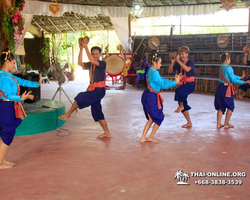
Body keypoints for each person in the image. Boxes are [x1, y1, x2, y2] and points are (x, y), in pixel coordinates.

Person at [0, 48, 42, 169]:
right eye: (13, 62)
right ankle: (0, 163)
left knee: (6, 135)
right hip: (6, 107)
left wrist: (36, 84)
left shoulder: (8, 75)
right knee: (7, 135)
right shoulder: (3, 78)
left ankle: (2, 160)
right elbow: (8, 95)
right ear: (7, 62)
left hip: (9, 106)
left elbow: (22, 81)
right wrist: (20, 98)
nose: (14, 65)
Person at [58, 43, 111, 139]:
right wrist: (81, 49)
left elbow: (92, 60)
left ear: (100, 54)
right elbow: (79, 63)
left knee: (80, 96)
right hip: (94, 89)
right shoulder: (90, 64)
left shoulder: (102, 63)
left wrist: (86, 46)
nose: (95, 56)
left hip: (99, 90)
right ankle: (107, 133)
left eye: (97, 54)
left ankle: (68, 113)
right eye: (93, 54)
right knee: (97, 112)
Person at [140, 54, 182, 144]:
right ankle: (151, 137)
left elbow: (162, 80)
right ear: (155, 63)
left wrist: (174, 82)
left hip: (148, 94)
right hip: (151, 97)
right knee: (159, 117)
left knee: (151, 119)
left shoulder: (152, 70)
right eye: (160, 63)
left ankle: (143, 137)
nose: (161, 65)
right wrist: (175, 82)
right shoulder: (154, 72)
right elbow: (163, 85)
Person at [214, 52, 249, 129]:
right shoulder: (229, 68)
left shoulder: (222, 67)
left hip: (220, 87)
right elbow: (232, 79)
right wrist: (244, 82)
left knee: (221, 106)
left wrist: (240, 77)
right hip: (226, 89)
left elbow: (231, 76)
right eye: (229, 59)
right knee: (231, 106)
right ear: (227, 59)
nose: (230, 60)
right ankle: (226, 122)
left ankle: (218, 124)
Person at [168, 46, 195, 128]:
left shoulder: (191, 62)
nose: (182, 56)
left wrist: (178, 61)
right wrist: (172, 62)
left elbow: (187, 69)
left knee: (179, 91)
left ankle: (181, 106)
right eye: (180, 54)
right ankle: (189, 122)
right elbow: (170, 71)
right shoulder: (177, 63)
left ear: (187, 54)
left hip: (190, 84)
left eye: (183, 54)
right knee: (183, 102)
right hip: (182, 84)